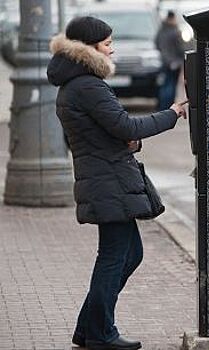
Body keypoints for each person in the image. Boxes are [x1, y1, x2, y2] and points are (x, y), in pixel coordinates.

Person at [46, 16, 186, 350]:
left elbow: (103, 134)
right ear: (90, 48)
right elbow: (125, 127)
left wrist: (129, 143)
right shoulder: (88, 86)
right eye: (108, 43)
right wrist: (172, 114)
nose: (113, 48)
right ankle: (101, 333)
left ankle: (88, 328)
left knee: (129, 253)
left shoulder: (75, 85)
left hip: (103, 178)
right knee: (114, 256)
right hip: (107, 181)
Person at [155, 10, 185, 111]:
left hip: (164, 62)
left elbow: (157, 44)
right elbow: (181, 48)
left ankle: (162, 106)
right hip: (174, 63)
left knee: (165, 85)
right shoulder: (175, 31)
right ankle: (168, 107)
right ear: (173, 18)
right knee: (171, 86)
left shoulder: (161, 30)